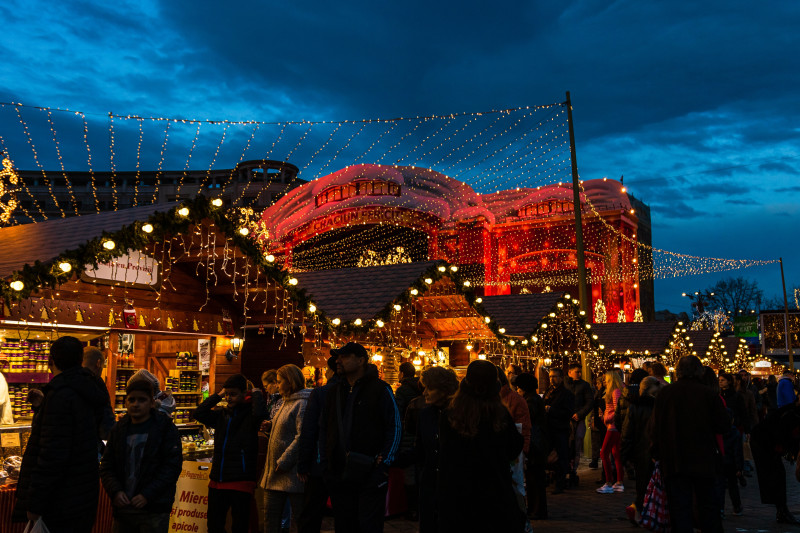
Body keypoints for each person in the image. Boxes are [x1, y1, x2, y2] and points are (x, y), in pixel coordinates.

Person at [13, 336, 109, 533]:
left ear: (51, 361)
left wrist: (35, 504)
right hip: (83, 495)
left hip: (59, 501)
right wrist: (42, 407)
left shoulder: (60, 394)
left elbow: (52, 455)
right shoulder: (92, 389)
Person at [320, 342, 401, 533]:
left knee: (368, 526)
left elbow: (395, 426)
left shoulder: (380, 389)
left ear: (361, 360)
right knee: (344, 525)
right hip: (338, 473)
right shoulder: (334, 392)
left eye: (344, 356)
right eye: (338, 357)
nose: (338, 361)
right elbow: (324, 428)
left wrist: (383, 465)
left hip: (369, 471)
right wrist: (325, 463)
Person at [436, 360, 526, 533]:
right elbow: (513, 447)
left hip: (458, 494)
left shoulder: (450, 415)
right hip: (494, 493)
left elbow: (445, 453)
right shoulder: (499, 415)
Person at [651, 355, 728, 533]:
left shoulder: (665, 394)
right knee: (708, 506)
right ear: (699, 371)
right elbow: (723, 425)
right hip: (703, 458)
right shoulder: (708, 394)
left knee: (680, 508)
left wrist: (655, 453)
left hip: (674, 458)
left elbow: (655, 427)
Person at [99, 377, 183, 533]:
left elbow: (171, 467)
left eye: (142, 400)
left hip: (154, 510)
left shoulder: (165, 429)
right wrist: (116, 491)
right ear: (125, 402)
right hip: (123, 509)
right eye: (131, 399)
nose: (136, 404)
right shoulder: (118, 430)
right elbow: (107, 466)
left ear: (152, 403)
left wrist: (147, 495)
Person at [193, 373, 268, 533]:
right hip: (217, 480)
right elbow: (198, 413)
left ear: (244, 393)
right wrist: (218, 394)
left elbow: (260, 415)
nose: (229, 398)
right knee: (213, 526)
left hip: (240, 480)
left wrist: (255, 393)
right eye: (227, 394)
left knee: (239, 526)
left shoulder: (250, 415)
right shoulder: (222, 414)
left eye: (233, 394)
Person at [261, 364, 311, 533]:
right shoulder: (285, 402)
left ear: (290, 382)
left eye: (280, 381)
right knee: (270, 518)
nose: (277, 385)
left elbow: (301, 436)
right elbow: (286, 428)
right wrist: (271, 424)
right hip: (275, 473)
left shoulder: (301, 404)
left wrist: (284, 461)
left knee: (299, 519)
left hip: (291, 473)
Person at [409, 365, 459, 532]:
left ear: (444, 389)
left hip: (454, 486)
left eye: (429, 388)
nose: (424, 393)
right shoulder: (424, 414)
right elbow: (420, 449)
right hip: (430, 485)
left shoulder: (460, 414)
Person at [750, 370, 800, 524]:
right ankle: (782, 511)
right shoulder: (792, 413)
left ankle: (781, 510)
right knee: (776, 475)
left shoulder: (792, 411)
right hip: (764, 442)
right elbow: (783, 434)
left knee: (778, 475)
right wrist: (786, 451)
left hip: (768, 441)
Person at [296, 356, 340, 533]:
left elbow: (309, 430)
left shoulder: (322, 393)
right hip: (345, 462)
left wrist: (303, 464)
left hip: (320, 462)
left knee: (311, 512)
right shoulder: (354, 391)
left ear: (331, 371)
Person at [621, 376, 664, 524]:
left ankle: (639, 509)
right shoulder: (661, 405)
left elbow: (627, 432)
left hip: (641, 452)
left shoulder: (635, 406)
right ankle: (647, 511)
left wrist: (624, 455)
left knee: (642, 485)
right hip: (658, 452)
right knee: (657, 485)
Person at [514, 372, 548, 520]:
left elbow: (529, 420)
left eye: (518, 387)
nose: (517, 390)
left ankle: (537, 509)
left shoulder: (530, 401)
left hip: (535, 443)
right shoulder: (533, 399)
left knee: (534, 478)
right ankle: (536, 508)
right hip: (538, 442)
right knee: (535, 478)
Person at [543, 367, 574, 494]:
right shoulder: (549, 391)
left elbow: (567, 413)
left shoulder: (567, 394)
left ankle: (560, 483)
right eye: (550, 376)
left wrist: (551, 410)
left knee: (562, 456)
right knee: (547, 454)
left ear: (561, 378)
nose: (552, 379)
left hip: (560, 428)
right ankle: (550, 478)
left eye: (554, 376)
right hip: (548, 428)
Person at [597, 370, 625, 494]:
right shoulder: (614, 391)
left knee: (604, 453)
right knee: (616, 454)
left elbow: (617, 410)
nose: (604, 381)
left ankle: (609, 482)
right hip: (612, 426)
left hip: (613, 427)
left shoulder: (615, 391)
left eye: (606, 379)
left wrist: (605, 418)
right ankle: (619, 482)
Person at [565, 363, 593, 486]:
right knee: (566, 445)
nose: (580, 374)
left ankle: (573, 470)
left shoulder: (584, 385)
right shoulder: (565, 384)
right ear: (570, 372)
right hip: (566, 419)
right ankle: (566, 469)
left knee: (577, 444)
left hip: (578, 419)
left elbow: (589, 402)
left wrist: (580, 414)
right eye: (577, 371)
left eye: (580, 371)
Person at [498, 366, 532, 456]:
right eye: (507, 372)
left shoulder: (516, 399)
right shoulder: (480, 400)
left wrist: (523, 452)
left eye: (511, 372)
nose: (509, 374)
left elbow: (523, 428)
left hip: (507, 453)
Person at [717, 409, 744, 519]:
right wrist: (739, 467)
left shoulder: (718, 432)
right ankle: (736, 507)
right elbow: (738, 452)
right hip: (732, 464)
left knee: (720, 487)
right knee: (733, 487)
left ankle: (720, 509)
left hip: (720, 462)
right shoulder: (735, 434)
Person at [589, 375, 606, 470]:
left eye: (599, 383)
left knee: (599, 441)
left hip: (601, 421)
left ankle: (596, 460)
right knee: (595, 441)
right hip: (597, 419)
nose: (598, 385)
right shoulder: (597, 393)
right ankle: (595, 459)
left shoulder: (601, 394)